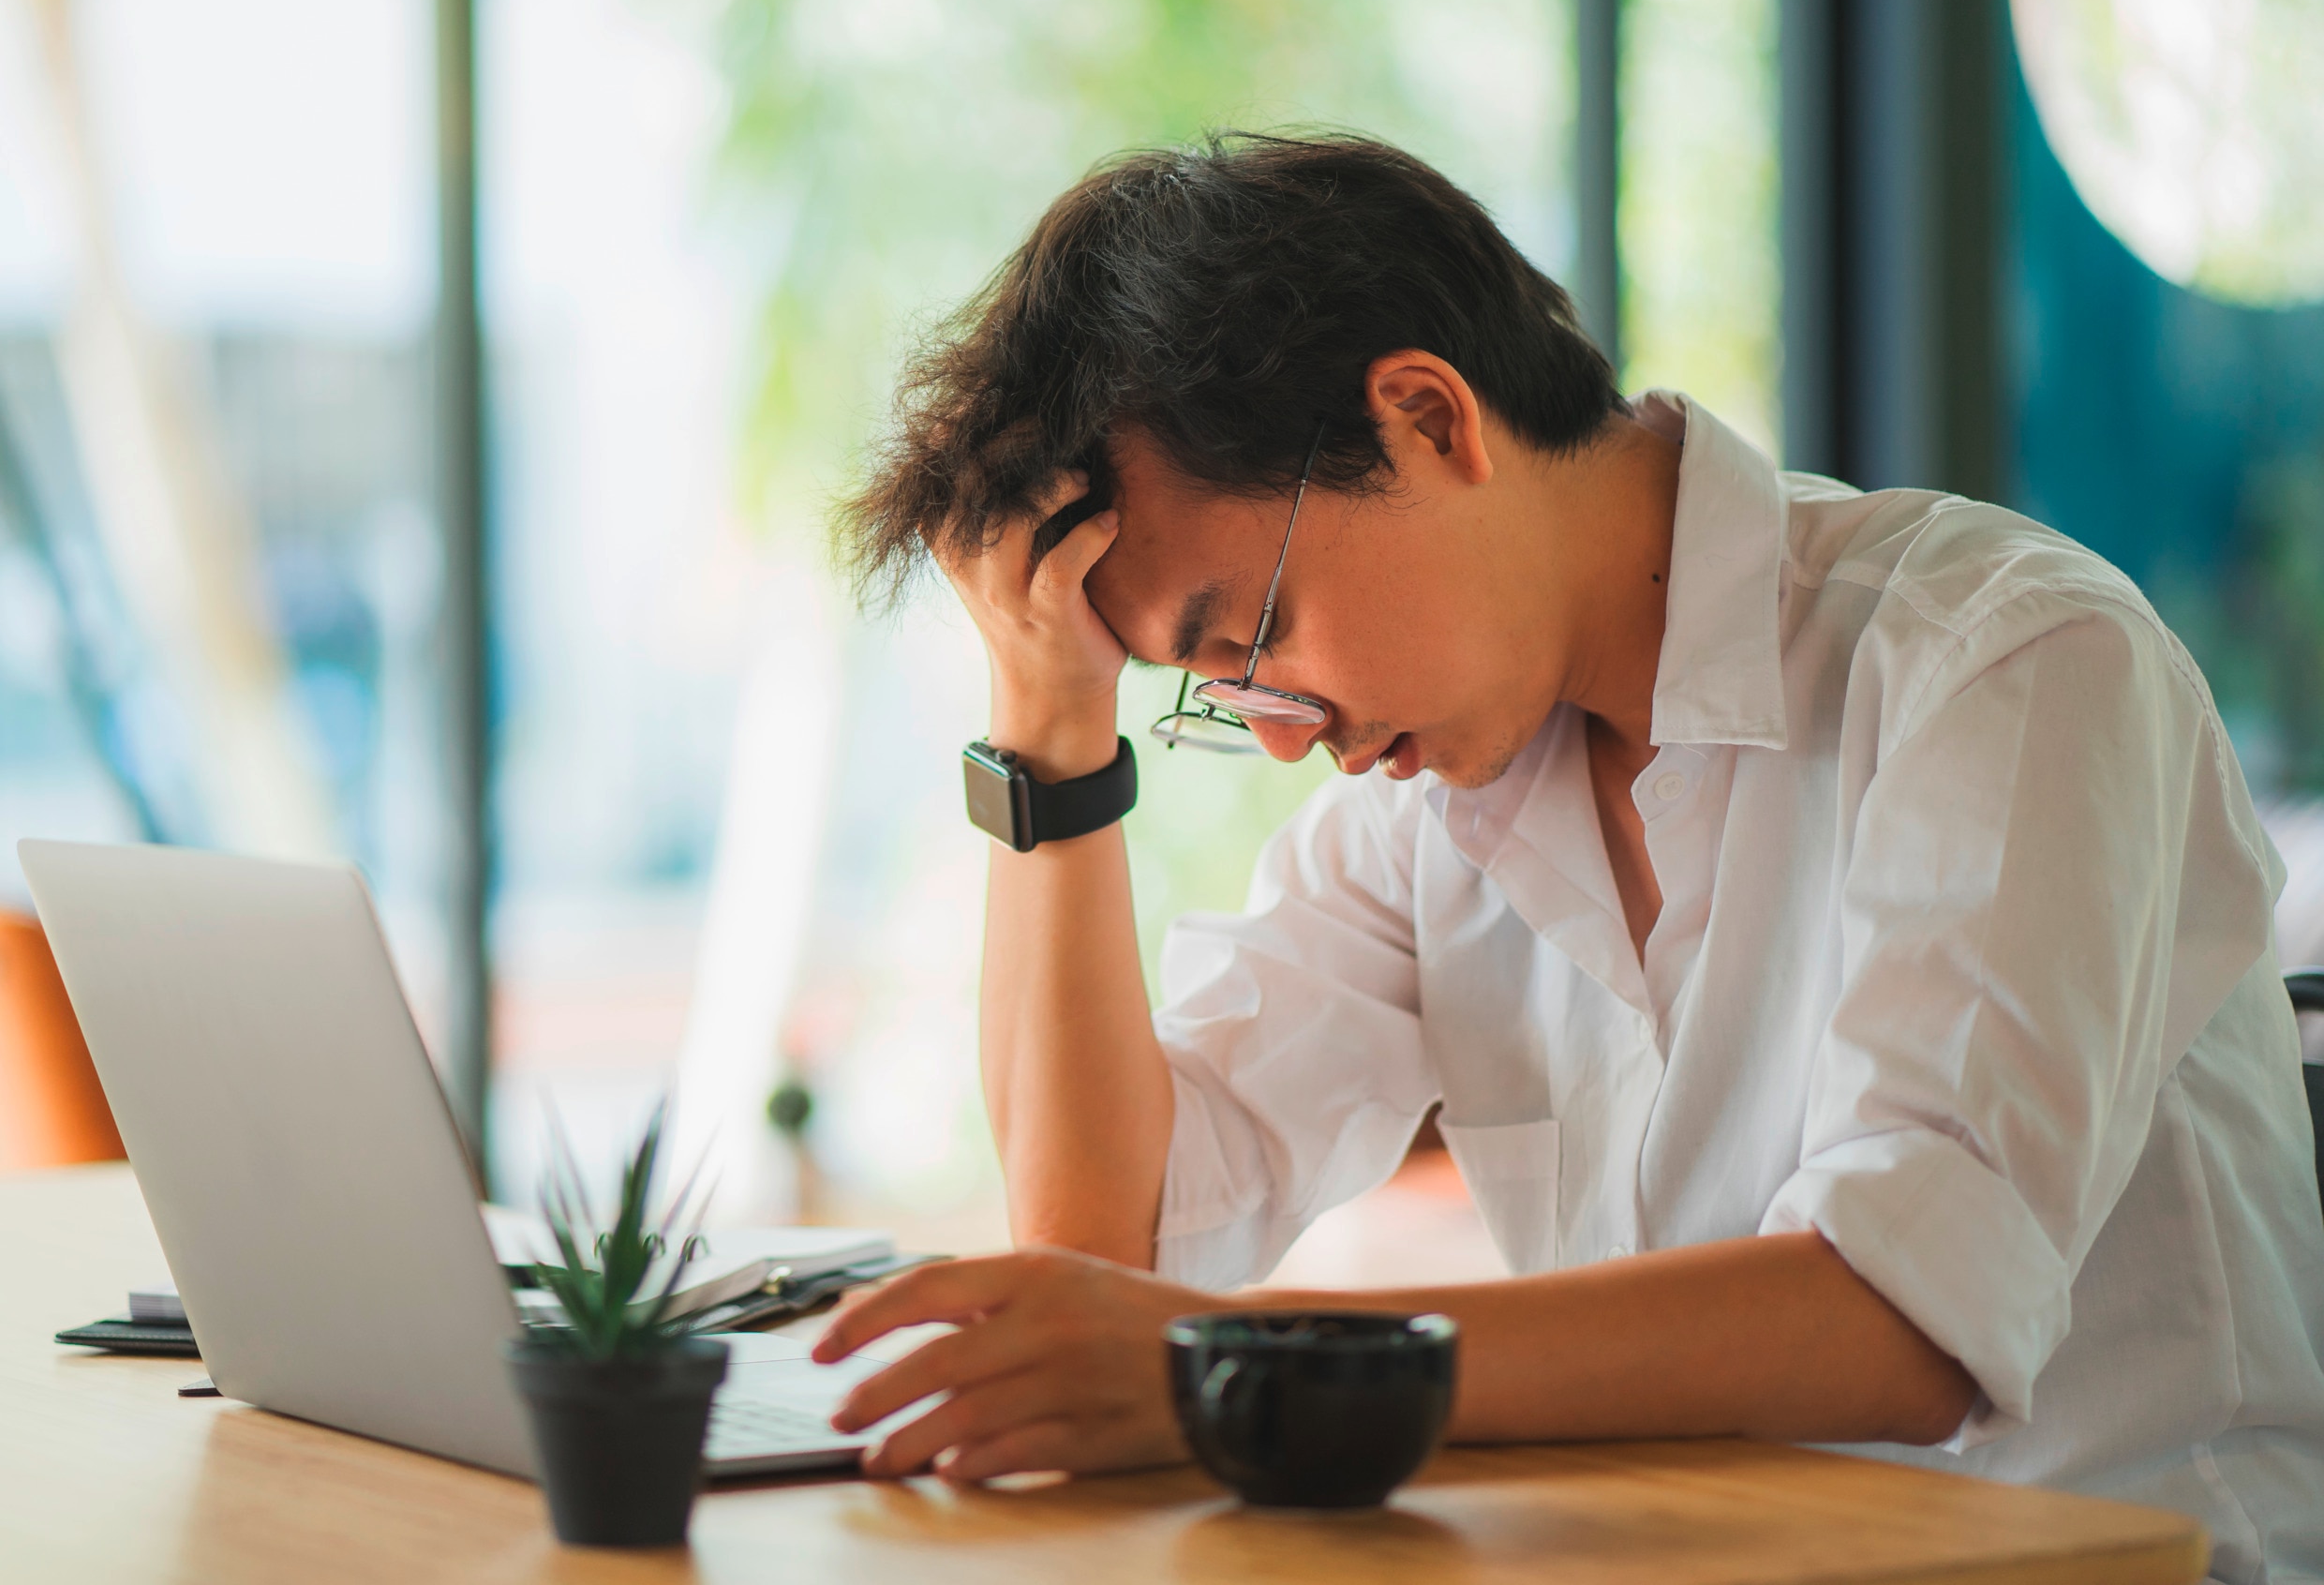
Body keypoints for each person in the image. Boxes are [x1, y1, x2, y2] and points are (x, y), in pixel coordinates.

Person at [807, 132, 2324, 1581]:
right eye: (1214, 688)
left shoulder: (2000, 662)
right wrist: (1051, 732)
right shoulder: (1422, 824)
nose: (1278, 736)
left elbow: (1902, 1321)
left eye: (1252, 634)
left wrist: (1226, 1374)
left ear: (1430, 418)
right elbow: (1111, 1255)